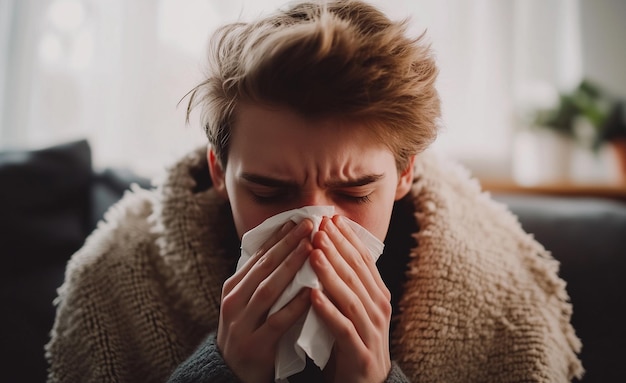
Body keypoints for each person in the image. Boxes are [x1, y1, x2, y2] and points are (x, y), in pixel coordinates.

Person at [45, 1, 583, 382]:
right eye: (269, 189)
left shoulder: (503, 296)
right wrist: (220, 373)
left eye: (354, 192)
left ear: (405, 173)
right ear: (218, 170)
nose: (312, 223)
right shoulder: (116, 278)